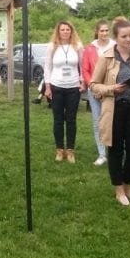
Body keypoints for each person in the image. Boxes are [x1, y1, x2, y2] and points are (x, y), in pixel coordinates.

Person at [90, 18, 130, 206]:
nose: (128, 39)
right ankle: (118, 191)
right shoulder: (106, 57)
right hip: (115, 109)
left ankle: (128, 187)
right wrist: (111, 89)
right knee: (115, 150)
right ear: (116, 38)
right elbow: (93, 85)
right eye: (124, 36)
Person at [43, 20, 84, 163]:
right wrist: (47, 87)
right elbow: (47, 67)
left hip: (73, 87)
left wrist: (82, 81)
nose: (65, 32)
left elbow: (82, 65)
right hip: (57, 86)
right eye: (62, 30)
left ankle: (70, 150)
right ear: (58, 31)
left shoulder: (77, 46)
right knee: (58, 120)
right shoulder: (52, 47)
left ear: (71, 31)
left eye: (68, 29)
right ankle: (59, 150)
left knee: (71, 120)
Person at [81, 20, 114, 166]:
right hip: (94, 91)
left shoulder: (115, 47)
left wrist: (107, 88)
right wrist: (94, 88)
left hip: (112, 90)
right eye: (102, 31)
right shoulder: (89, 49)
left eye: (107, 30)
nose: (104, 33)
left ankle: (114, 151)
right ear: (97, 31)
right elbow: (86, 70)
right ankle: (102, 154)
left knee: (113, 122)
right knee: (97, 122)